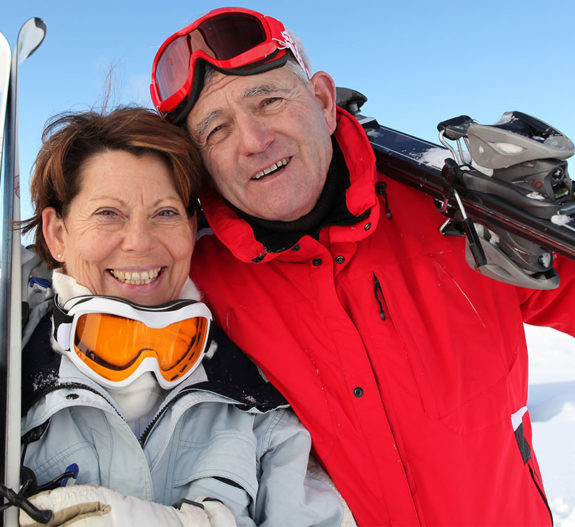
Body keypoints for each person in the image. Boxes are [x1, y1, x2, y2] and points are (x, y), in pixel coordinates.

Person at [149, 7, 575, 527]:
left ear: (323, 102)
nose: (254, 141)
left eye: (269, 101)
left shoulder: (462, 218)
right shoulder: (193, 280)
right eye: (216, 130)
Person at [17, 106, 352, 527]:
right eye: (108, 214)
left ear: (192, 230)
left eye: (165, 213)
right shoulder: (13, 360)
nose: (140, 242)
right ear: (57, 233)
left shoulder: (254, 388)